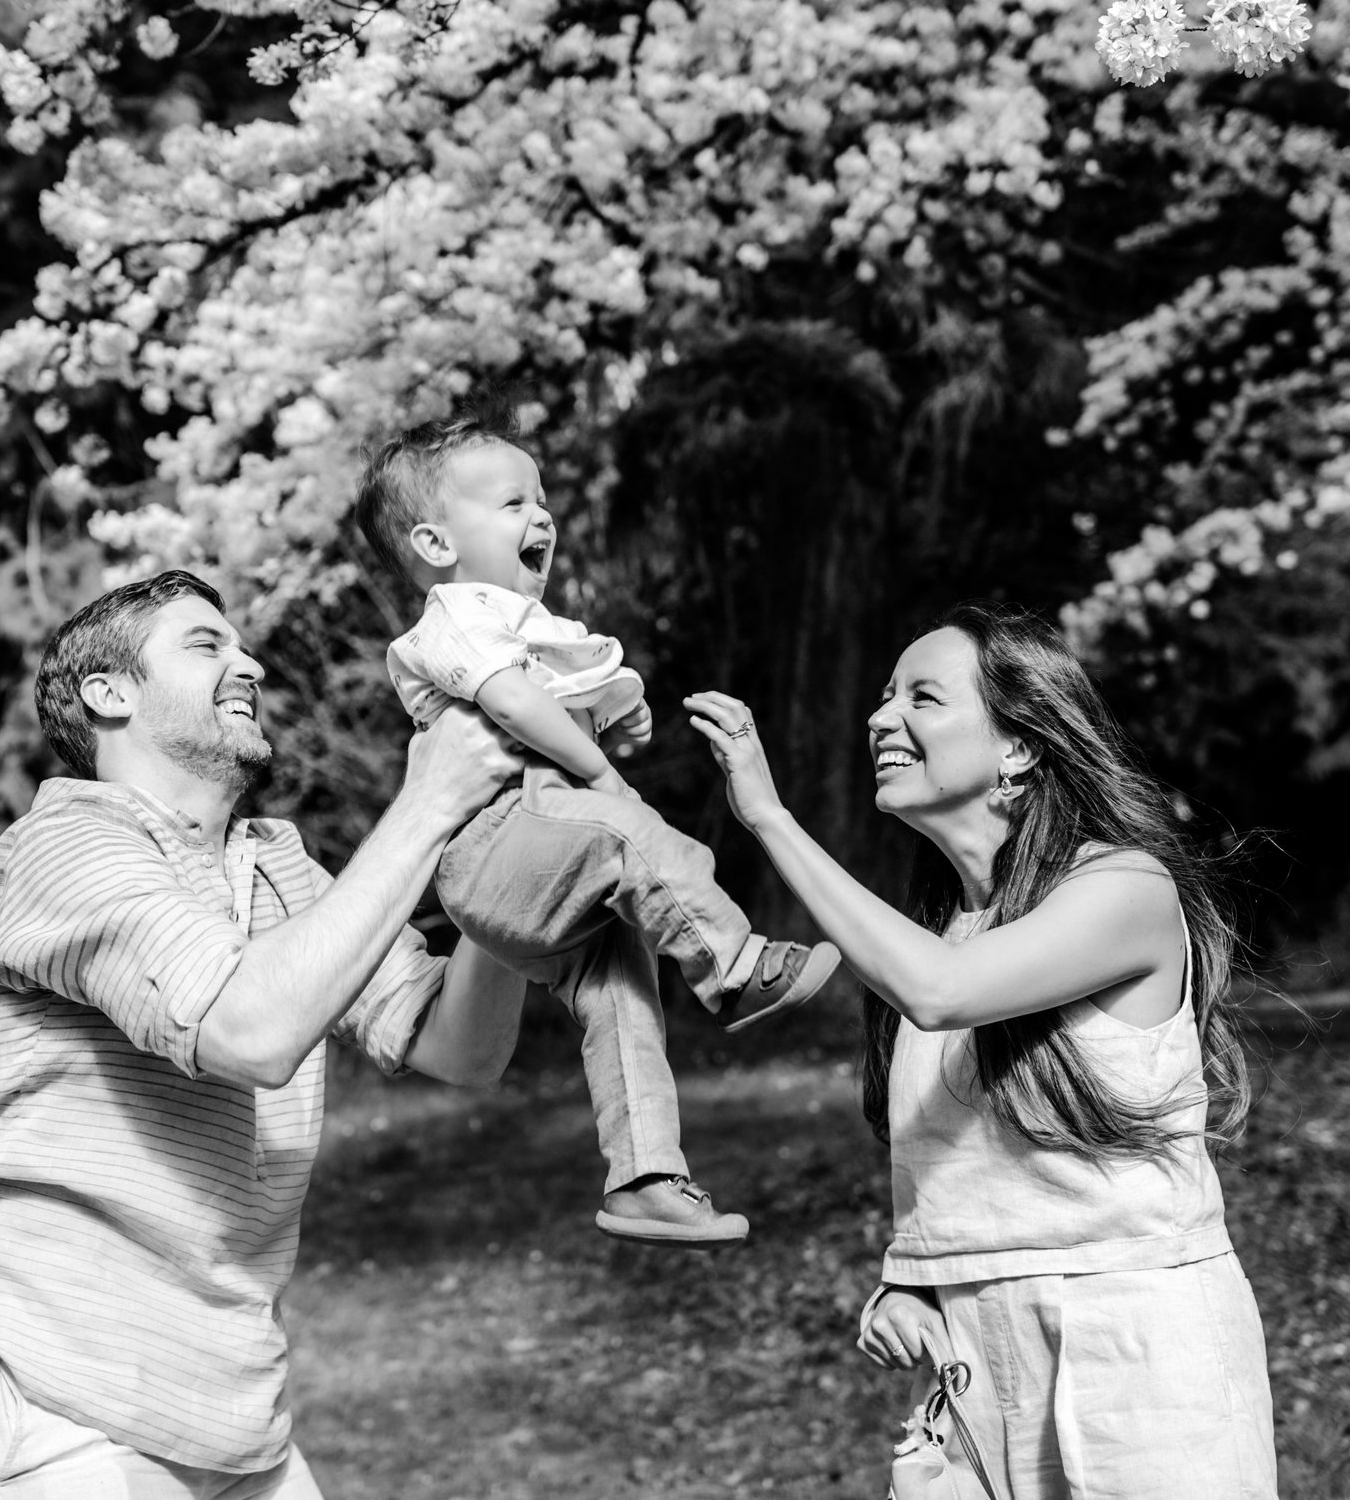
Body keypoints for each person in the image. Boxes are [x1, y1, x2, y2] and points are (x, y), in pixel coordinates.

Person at [0, 569, 531, 1500]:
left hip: (232, 1414)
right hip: (58, 1401)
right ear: (108, 693)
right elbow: (250, 1028)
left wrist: (511, 844)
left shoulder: (277, 865)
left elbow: (460, 1046)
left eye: (241, 643)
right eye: (206, 644)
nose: (251, 664)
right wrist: (431, 800)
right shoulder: (62, 845)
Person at [682, 604, 1278, 1500]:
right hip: (971, 1366)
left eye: (923, 697)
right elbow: (954, 1162)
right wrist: (911, 1282)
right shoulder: (942, 928)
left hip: (1137, 1351)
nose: (882, 717)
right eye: (885, 696)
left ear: (1020, 746)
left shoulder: (1125, 886)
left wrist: (768, 816)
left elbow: (942, 990)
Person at [354, 416, 840, 1247]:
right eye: (513, 502)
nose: (541, 516)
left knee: (621, 989)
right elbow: (515, 704)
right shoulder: (456, 615)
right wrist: (603, 771)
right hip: (497, 847)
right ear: (436, 542)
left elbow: (566, 696)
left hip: (537, 863)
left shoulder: (523, 624)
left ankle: (645, 1176)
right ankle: (732, 966)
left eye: (542, 499)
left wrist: (621, 712)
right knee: (628, 832)